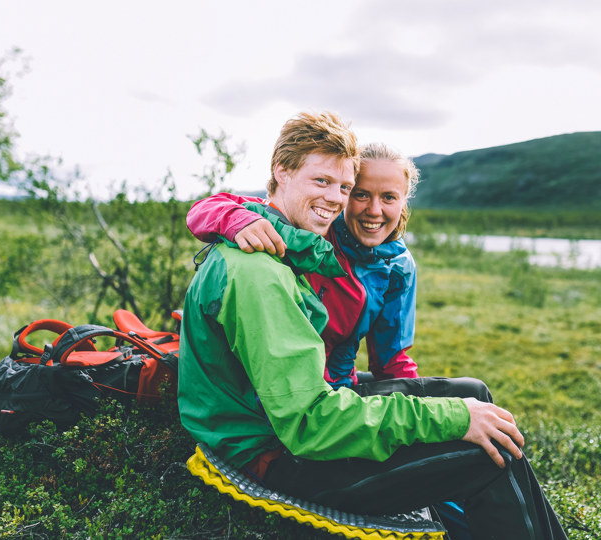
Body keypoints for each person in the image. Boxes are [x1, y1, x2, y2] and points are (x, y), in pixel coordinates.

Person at [178, 110, 567, 539]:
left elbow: (382, 364)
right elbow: (311, 424)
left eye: (344, 187)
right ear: (281, 172)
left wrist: (454, 414)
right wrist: (453, 421)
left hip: (283, 419)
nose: (337, 200)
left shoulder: (286, 240)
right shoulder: (261, 271)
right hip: (276, 452)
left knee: (474, 395)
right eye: (323, 182)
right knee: (487, 456)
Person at [185, 141, 423, 389]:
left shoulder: (399, 265)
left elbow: (391, 361)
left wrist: (421, 408)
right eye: (360, 194)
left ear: (404, 201)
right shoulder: (316, 229)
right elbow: (209, 207)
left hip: (341, 388)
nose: (374, 210)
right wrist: (239, 221)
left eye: (389, 197)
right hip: (287, 389)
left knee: (466, 391)